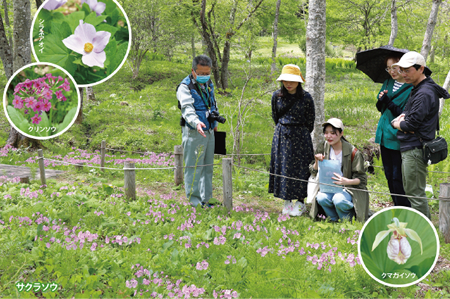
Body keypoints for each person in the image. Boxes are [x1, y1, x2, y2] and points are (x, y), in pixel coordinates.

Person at [391, 51, 450, 219]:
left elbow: (410, 123)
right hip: (412, 145)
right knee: (412, 191)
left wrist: (396, 123)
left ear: (421, 68)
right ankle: (421, 228)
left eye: (407, 70)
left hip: (415, 148)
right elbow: (409, 119)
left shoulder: (424, 93)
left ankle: (424, 233)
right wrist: (404, 122)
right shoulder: (419, 89)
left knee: (415, 193)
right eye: (401, 70)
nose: (403, 74)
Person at [269, 64, 315, 216]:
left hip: (301, 136)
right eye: (285, 80)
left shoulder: (306, 97)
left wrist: (299, 131)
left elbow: (310, 121)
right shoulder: (276, 96)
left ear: (299, 81)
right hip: (282, 135)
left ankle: (300, 201)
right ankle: (287, 200)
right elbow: (276, 116)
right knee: (284, 166)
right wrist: (284, 128)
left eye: (292, 81)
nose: (288, 84)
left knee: (302, 168)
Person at [176, 55, 219, 207]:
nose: (204, 76)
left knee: (207, 167)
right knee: (194, 168)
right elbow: (186, 109)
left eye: (207, 73)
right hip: (194, 131)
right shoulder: (185, 87)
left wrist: (215, 119)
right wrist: (196, 123)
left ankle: (207, 200)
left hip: (209, 130)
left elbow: (212, 102)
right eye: (200, 73)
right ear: (193, 71)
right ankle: (194, 203)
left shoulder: (209, 83)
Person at [309, 118, 369, 222]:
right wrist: (317, 161)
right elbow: (313, 171)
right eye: (326, 133)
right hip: (329, 187)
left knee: (338, 199)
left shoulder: (353, 152)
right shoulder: (323, 147)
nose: (329, 136)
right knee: (321, 197)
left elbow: (362, 180)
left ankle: (347, 220)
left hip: (349, 189)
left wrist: (347, 181)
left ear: (341, 133)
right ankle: (333, 219)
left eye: (333, 133)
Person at [375, 53, 413, 207]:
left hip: (397, 137)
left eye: (395, 67)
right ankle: (396, 204)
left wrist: (388, 101)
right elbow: (381, 108)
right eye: (388, 68)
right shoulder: (388, 82)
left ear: (402, 66)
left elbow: (404, 114)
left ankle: (404, 206)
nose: (392, 71)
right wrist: (380, 100)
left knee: (398, 175)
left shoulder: (410, 88)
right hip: (384, 133)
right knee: (389, 174)